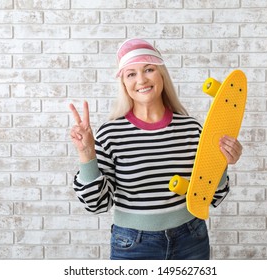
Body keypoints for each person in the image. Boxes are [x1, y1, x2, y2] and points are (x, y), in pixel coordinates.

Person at [69, 38, 243, 260]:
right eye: (131, 73)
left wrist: (222, 163)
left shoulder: (190, 128)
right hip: (134, 245)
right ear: (124, 83)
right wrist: (86, 155)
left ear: (161, 75)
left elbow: (212, 196)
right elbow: (97, 203)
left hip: (191, 239)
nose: (141, 79)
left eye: (148, 69)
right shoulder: (110, 134)